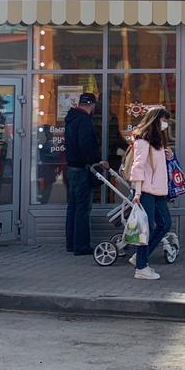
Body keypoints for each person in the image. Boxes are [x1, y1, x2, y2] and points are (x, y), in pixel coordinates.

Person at [127, 105, 174, 281]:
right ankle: (141, 267)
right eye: (163, 120)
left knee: (165, 224)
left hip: (158, 190)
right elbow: (137, 166)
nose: (165, 124)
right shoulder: (143, 140)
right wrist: (137, 192)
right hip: (146, 191)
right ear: (155, 120)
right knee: (147, 228)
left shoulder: (157, 140)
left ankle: (140, 258)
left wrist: (168, 156)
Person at [63, 93, 101, 255]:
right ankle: (81, 245)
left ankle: (71, 243)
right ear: (92, 105)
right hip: (82, 168)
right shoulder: (84, 120)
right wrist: (96, 161)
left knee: (73, 206)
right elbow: (85, 144)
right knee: (83, 208)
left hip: (72, 167)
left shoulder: (71, 118)